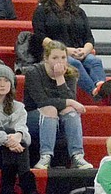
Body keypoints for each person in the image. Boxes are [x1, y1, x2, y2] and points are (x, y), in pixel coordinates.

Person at [31, 0, 111, 102]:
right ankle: (94, 92)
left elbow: (89, 39)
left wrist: (85, 50)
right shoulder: (41, 11)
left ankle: (101, 85)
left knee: (94, 61)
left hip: (79, 52)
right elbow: (41, 37)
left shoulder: (79, 12)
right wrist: (65, 51)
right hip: (55, 55)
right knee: (73, 63)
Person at [23, 40, 92, 170]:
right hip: (33, 118)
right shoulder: (33, 72)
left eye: (63, 57)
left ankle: (77, 156)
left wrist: (60, 78)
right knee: (51, 109)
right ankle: (45, 156)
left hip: (58, 118)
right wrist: (69, 102)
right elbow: (41, 101)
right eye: (55, 58)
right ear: (46, 58)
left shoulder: (70, 73)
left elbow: (70, 99)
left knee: (70, 110)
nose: (59, 61)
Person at [0, 64, 41, 194]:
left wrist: (19, 135)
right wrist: (8, 139)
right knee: (12, 134)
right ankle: (27, 189)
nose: (2, 84)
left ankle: (8, 188)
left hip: (10, 154)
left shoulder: (19, 107)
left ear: (11, 84)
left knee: (20, 140)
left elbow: (25, 133)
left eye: (6, 80)